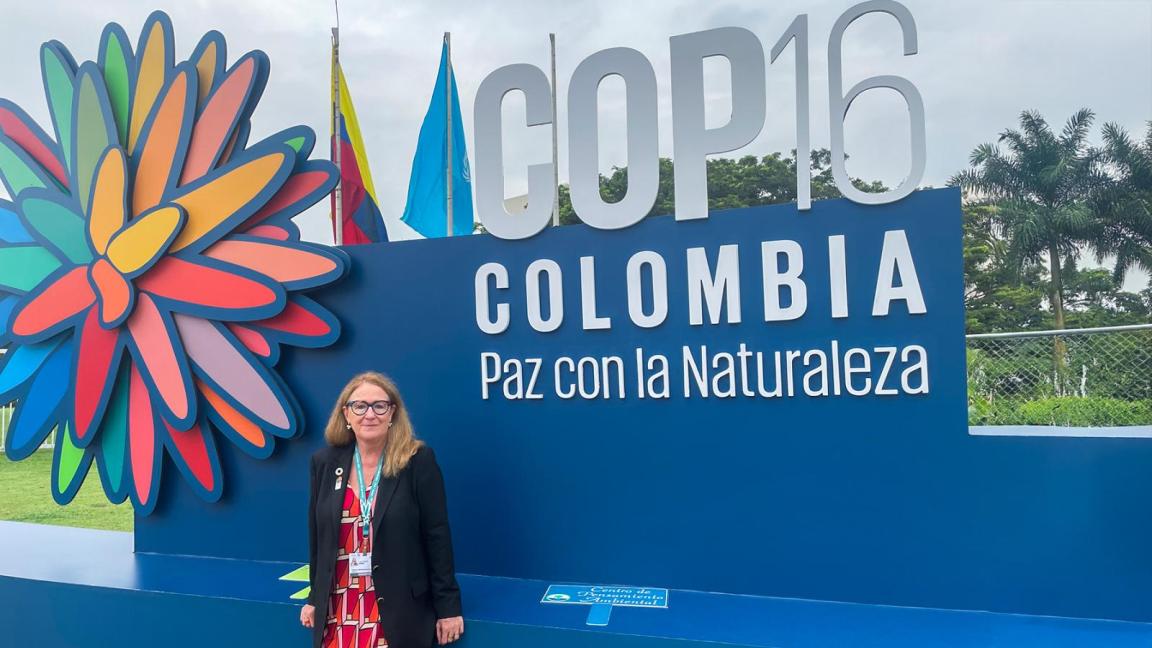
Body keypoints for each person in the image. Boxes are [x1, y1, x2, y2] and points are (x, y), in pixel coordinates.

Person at [301, 371, 464, 647]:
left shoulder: (416, 460)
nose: (370, 414)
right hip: (340, 606)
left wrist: (448, 607)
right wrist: (314, 598)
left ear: (392, 413)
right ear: (346, 415)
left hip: (396, 609)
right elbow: (319, 538)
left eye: (380, 406)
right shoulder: (325, 463)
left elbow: (437, 536)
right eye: (359, 406)